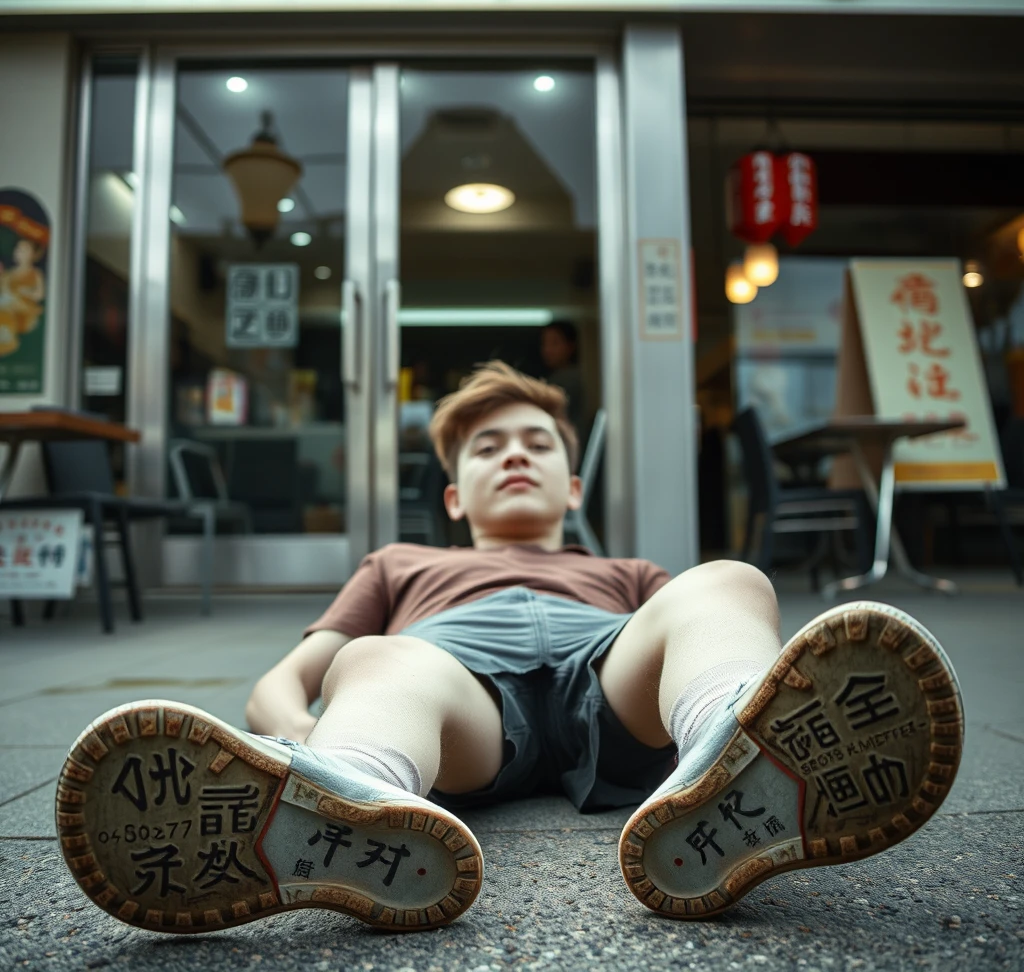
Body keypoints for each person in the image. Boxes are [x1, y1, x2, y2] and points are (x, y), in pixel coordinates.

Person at [56, 362, 963, 936]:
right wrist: (299, 736)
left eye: (536, 444)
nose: (514, 456)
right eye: (488, 448)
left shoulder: (624, 566)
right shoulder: (400, 561)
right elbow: (283, 680)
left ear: (573, 487)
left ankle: (734, 752)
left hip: (610, 683)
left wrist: (707, 641)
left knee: (727, 581)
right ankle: (337, 794)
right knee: (375, 661)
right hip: (460, 702)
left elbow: (694, 628)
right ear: (455, 496)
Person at [540, 320, 586, 435]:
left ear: (570, 346)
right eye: (544, 343)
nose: (547, 350)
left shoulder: (567, 379)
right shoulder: (558, 376)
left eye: (554, 343)